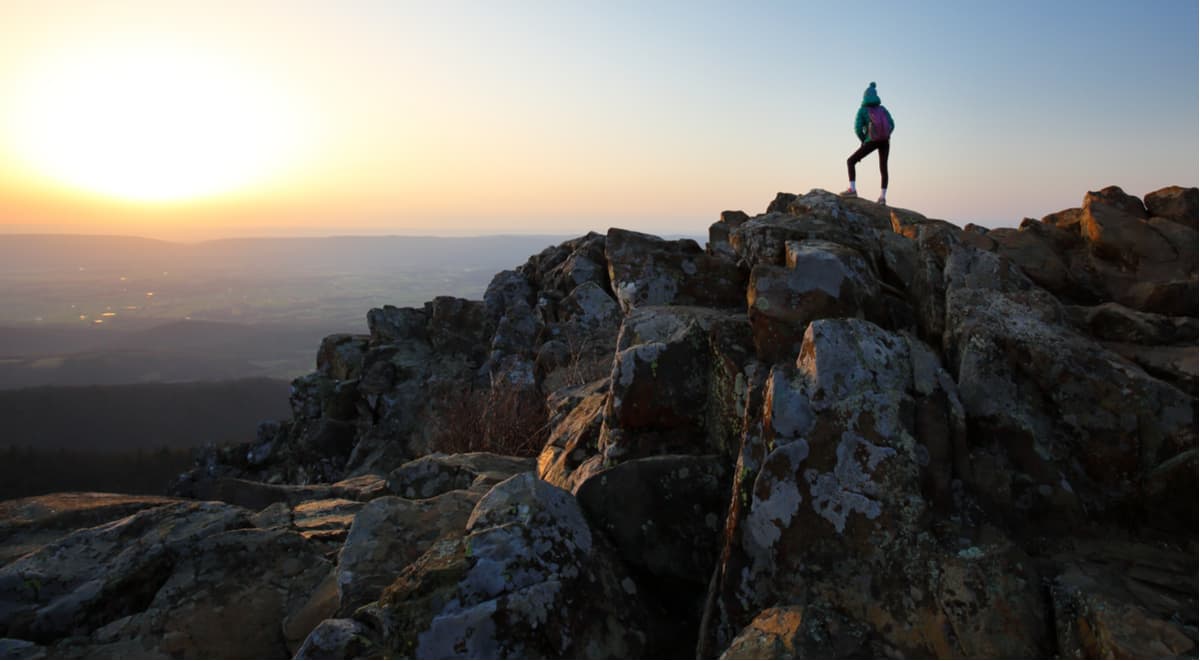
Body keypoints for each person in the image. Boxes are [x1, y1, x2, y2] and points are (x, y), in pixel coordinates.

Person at [841, 81, 895, 205]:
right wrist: (886, 134)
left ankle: (852, 189)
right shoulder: (882, 109)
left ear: (864, 96)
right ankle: (882, 198)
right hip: (885, 141)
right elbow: (892, 124)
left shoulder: (863, 110)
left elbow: (857, 128)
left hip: (871, 140)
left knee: (851, 161)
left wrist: (863, 140)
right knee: (883, 168)